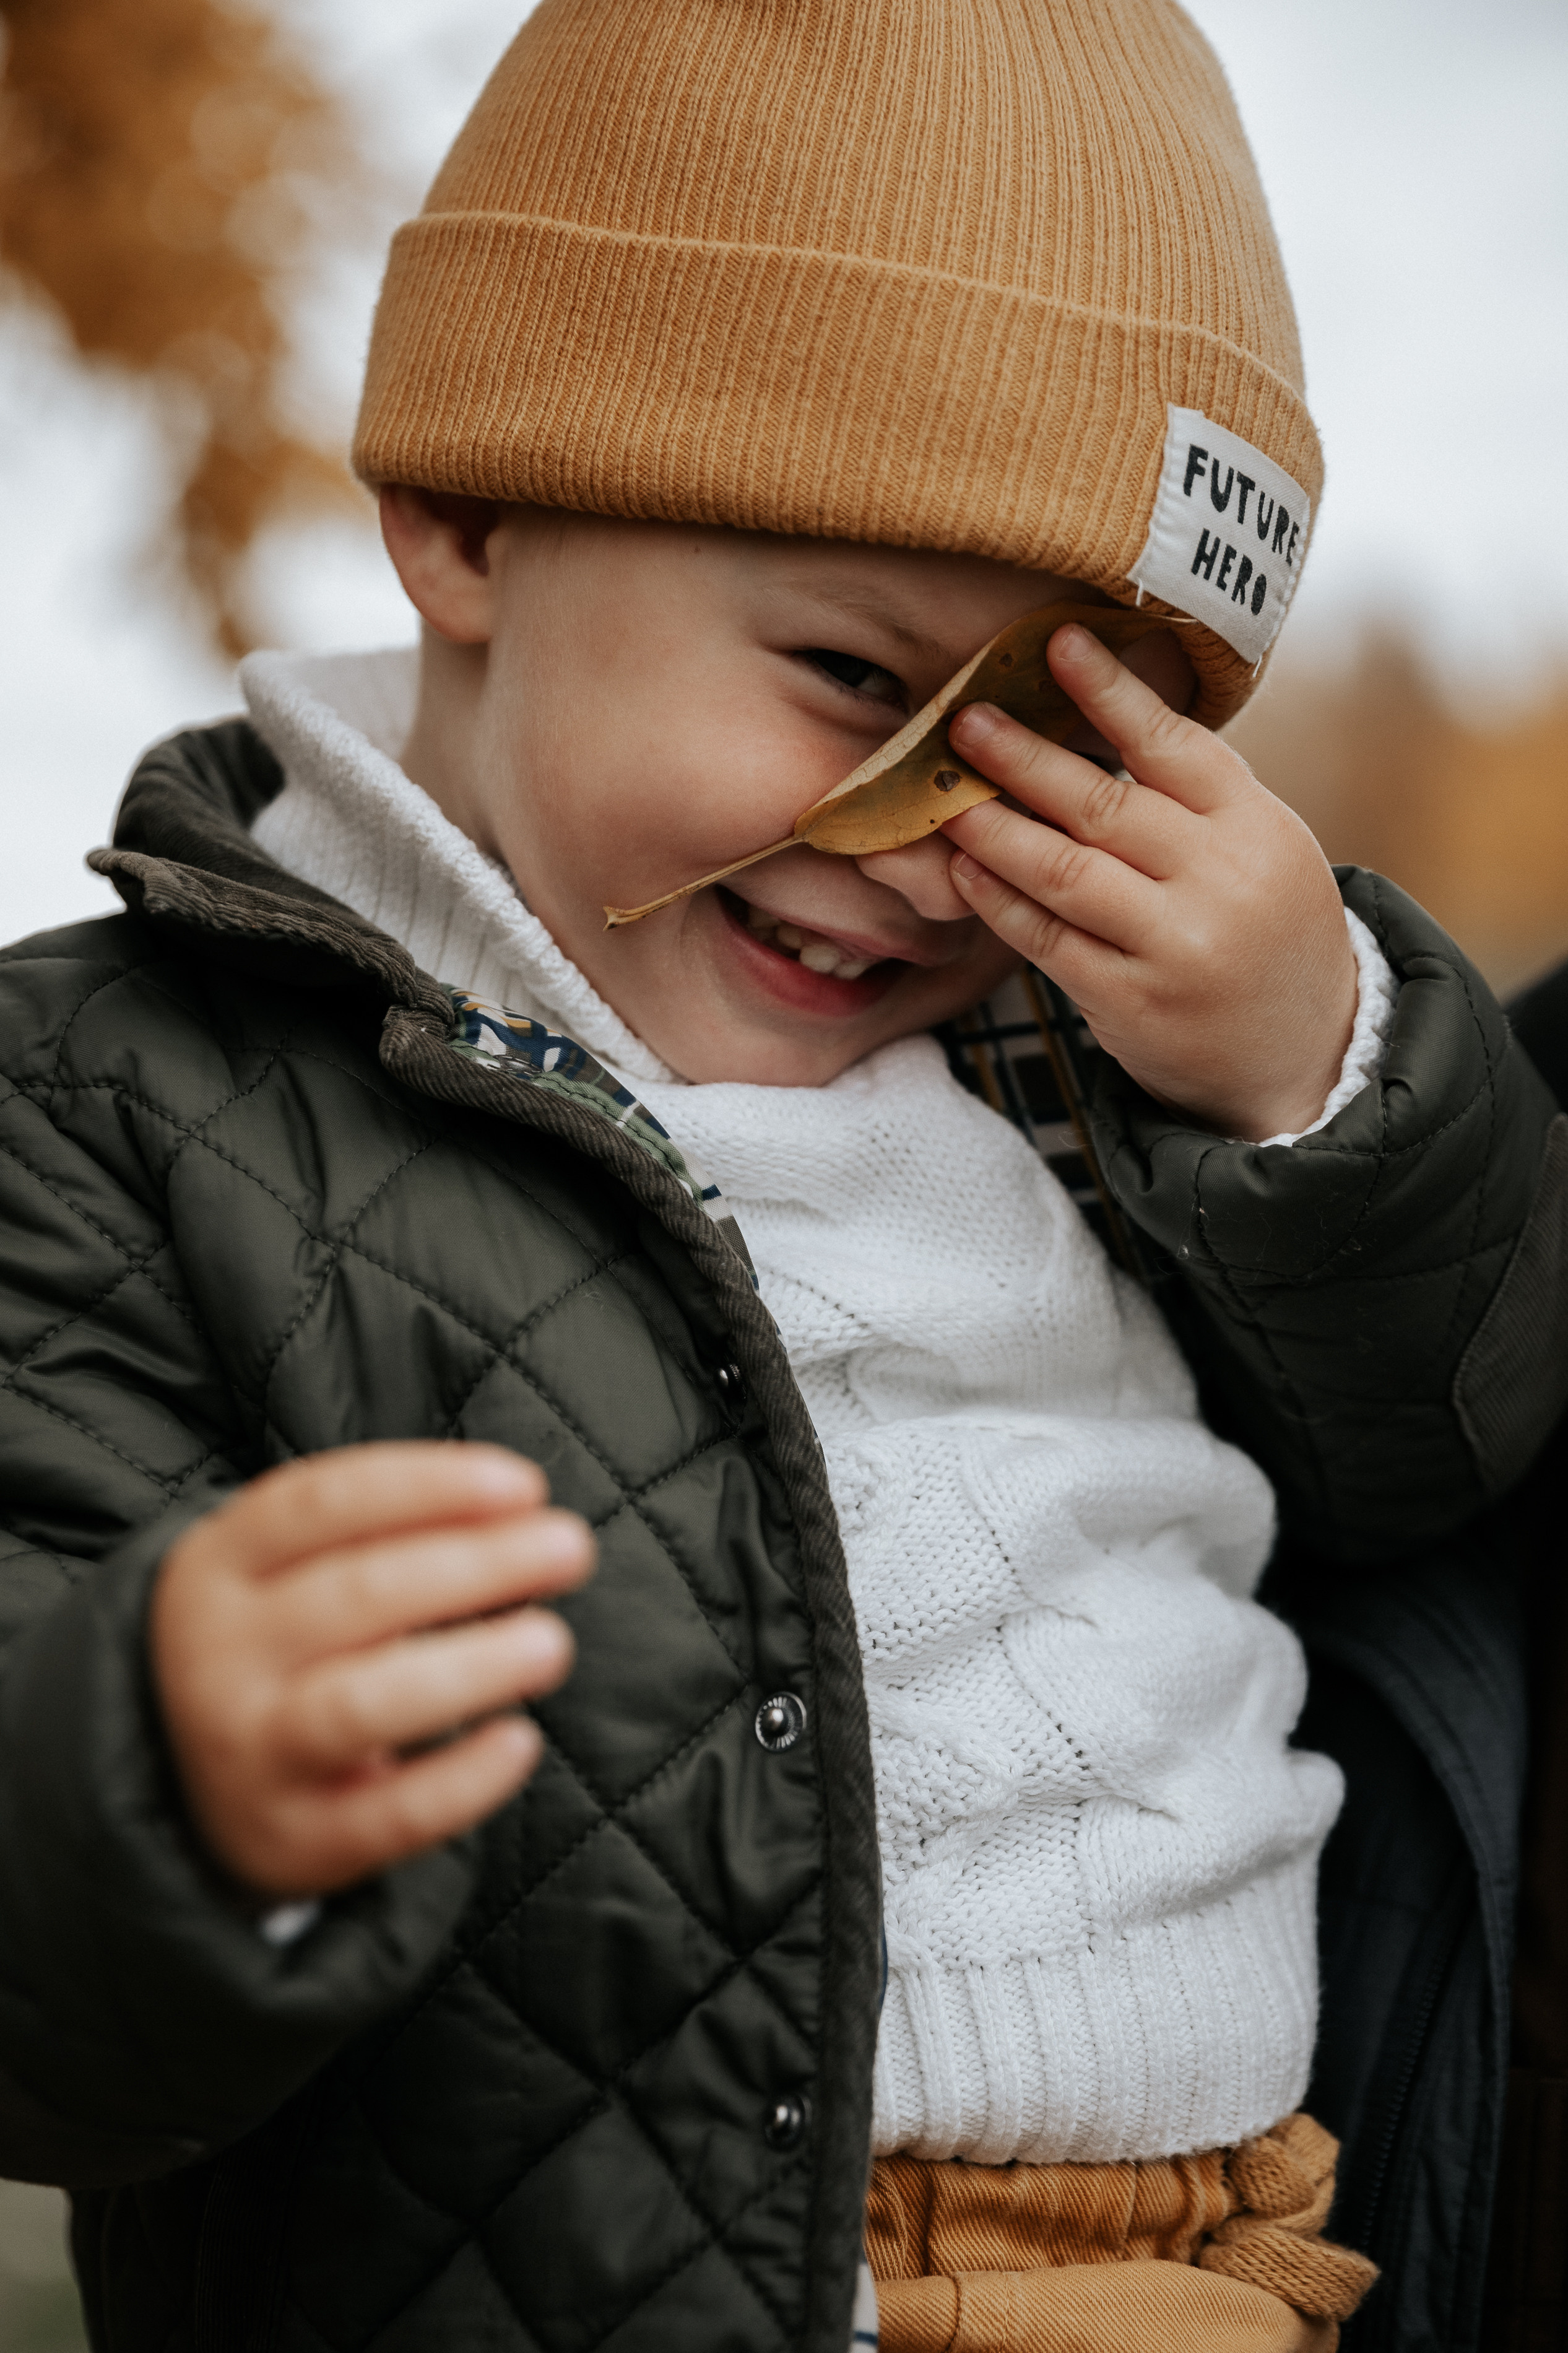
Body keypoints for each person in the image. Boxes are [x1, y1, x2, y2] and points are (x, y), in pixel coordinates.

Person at [0, 6, 1560, 2349]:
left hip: (1245, 2262)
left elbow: (1452, 1455)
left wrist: (1311, 1088)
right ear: (469, 519)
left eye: (1056, 752)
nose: (931, 854)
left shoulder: (1094, 1059)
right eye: (851, 678)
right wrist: (154, 1779)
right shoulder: (127, 1102)